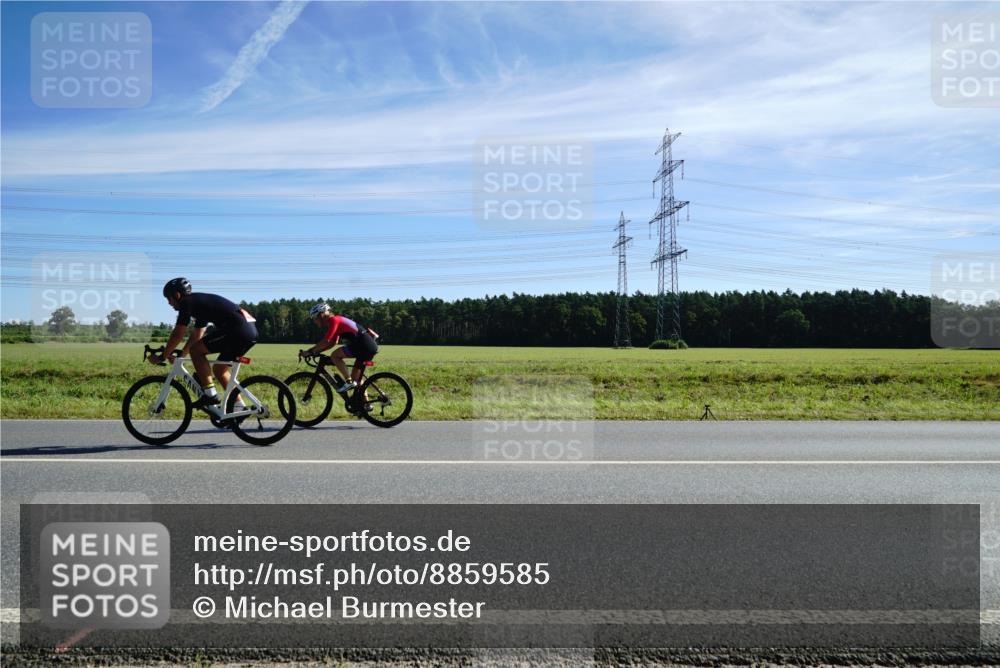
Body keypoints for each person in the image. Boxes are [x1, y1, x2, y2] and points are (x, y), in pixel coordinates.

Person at [151, 278, 258, 411]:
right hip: (248, 332)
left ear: (177, 295)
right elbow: (197, 335)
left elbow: (178, 333)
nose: (169, 303)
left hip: (237, 330)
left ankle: (210, 394)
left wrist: (163, 356)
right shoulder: (199, 304)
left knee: (196, 351)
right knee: (220, 369)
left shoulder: (186, 302)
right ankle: (238, 406)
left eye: (169, 298)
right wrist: (182, 354)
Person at [299, 303, 378, 394]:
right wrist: (316, 351)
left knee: (335, 356)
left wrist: (310, 351)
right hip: (367, 346)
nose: (314, 321)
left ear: (321, 315)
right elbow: (333, 342)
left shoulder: (334, 320)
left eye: (314, 318)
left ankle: (348, 382)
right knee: (357, 379)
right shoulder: (335, 321)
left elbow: (326, 340)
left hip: (363, 345)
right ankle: (366, 405)